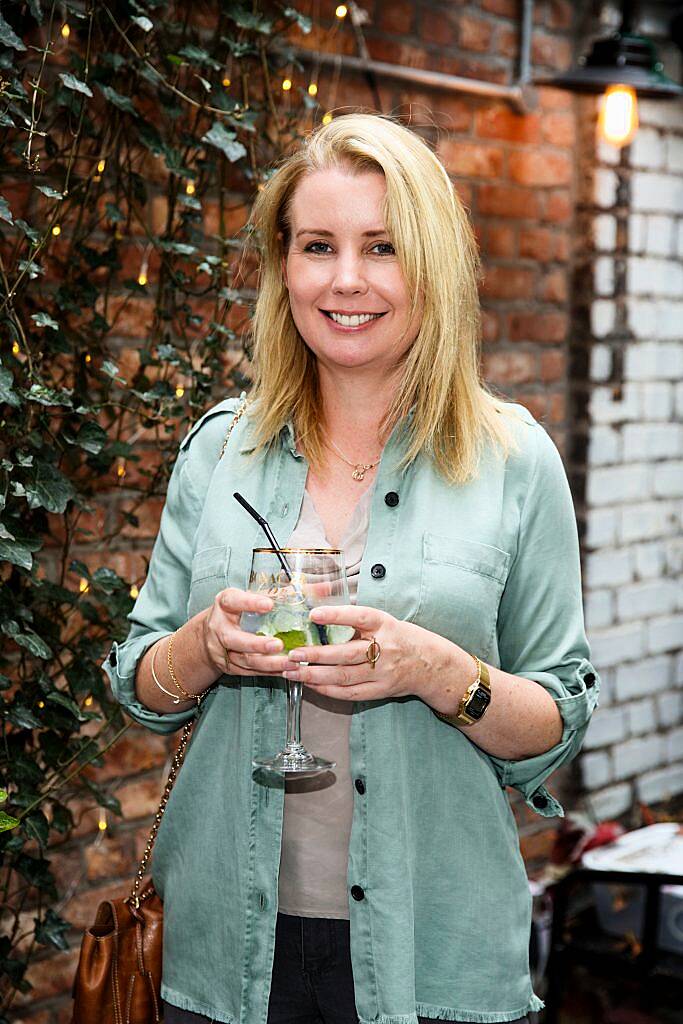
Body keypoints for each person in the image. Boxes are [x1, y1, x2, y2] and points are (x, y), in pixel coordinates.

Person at [104, 112, 600, 1024]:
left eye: (381, 247)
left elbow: (557, 716)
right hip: (223, 952)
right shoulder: (221, 450)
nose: (345, 280)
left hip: (434, 952)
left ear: (432, 268)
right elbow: (138, 682)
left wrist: (435, 671)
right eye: (316, 246)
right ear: (281, 267)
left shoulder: (512, 459)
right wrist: (206, 647)